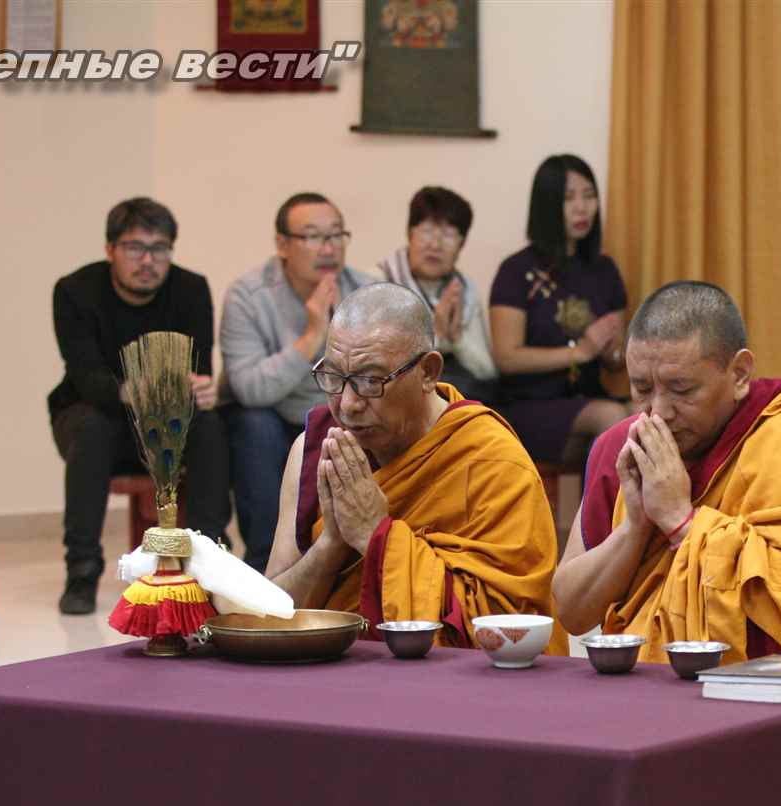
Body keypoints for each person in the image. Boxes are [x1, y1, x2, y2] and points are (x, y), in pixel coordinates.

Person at [553, 281, 781, 663]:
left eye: (681, 389)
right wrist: (635, 527)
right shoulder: (625, 447)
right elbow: (572, 612)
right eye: (641, 388)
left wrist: (680, 521)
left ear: (739, 373)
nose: (659, 411)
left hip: (762, 690)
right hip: (641, 686)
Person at [263, 283, 557, 634]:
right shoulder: (316, 451)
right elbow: (270, 615)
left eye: (370, 380)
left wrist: (374, 533)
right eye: (334, 377)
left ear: (428, 372)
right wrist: (331, 544)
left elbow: (505, 627)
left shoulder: (492, 462)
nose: (348, 404)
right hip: (327, 663)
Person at [49, 196, 230, 615]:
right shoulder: (74, 291)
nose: (148, 260)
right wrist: (149, 390)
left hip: (168, 419)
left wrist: (203, 390)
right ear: (110, 249)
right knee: (93, 427)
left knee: (211, 425)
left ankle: (210, 558)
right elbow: (88, 378)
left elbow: (198, 368)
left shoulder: (190, 288)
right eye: (135, 248)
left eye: (160, 248)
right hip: (95, 416)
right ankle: (82, 570)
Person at [220, 192, 374, 571]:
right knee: (252, 424)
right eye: (313, 237)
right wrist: (312, 335)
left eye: (336, 235)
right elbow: (250, 389)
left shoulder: (368, 292)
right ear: (282, 244)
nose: (329, 248)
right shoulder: (248, 296)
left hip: (340, 411)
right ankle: (263, 563)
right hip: (273, 415)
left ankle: (355, 559)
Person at [489, 155, 630, 468]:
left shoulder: (605, 270)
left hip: (587, 397)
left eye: (589, 196)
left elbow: (617, 361)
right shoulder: (516, 270)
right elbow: (506, 358)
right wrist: (581, 352)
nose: (582, 208)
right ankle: (605, 503)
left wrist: (612, 350)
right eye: (568, 198)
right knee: (612, 417)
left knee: (650, 417)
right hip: (528, 404)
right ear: (546, 205)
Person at [375, 185, 499, 403]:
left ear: (462, 244)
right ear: (410, 233)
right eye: (427, 231)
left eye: (448, 235)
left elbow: (487, 371)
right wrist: (438, 336)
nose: (435, 244)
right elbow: (377, 366)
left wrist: (457, 339)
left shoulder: (463, 290)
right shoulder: (377, 283)